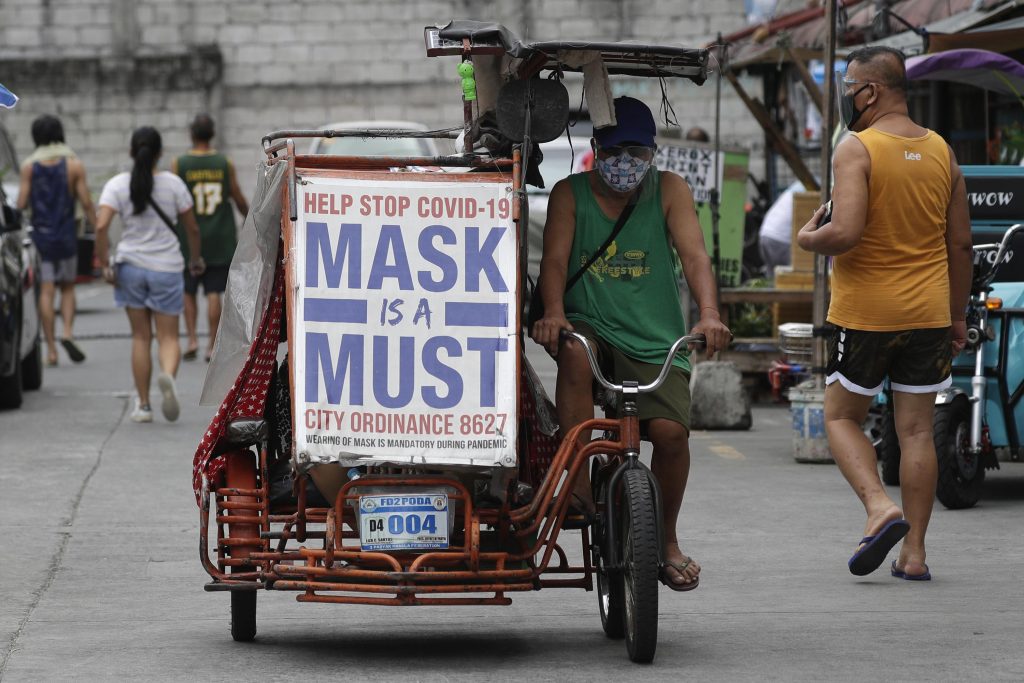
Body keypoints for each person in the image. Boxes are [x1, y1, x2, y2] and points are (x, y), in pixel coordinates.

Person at [531, 97, 731, 591]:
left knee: (670, 436)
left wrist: (709, 314)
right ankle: (577, 485)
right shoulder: (569, 193)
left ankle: (665, 541)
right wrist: (553, 313)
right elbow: (554, 262)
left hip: (654, 338)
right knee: (575, 354)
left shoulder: (669, 190)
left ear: (653, 153)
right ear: (596, 149)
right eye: (616, 151)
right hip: (590, 326)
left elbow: (695, 257)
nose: (625, 163)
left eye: (636, 152)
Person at [797, 46, 972, 580]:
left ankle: (879, 506)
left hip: (867, 314)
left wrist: (808, 238)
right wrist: (957, 317)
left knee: (840, 416)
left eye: (848, 87)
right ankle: (914, 555)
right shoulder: (942, 150)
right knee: (917, 432)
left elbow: (845, 233)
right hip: (929, 314)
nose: (846, 96)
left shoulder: (857, 148)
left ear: (869, 92)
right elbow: (960, 245)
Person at [94, 127, 204, 423]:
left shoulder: (117, 185)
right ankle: (167, 375)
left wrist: (104, 261)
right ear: (159, 153)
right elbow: (192, 228)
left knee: (141, 337)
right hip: (167, 267)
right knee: (168, 337)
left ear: (132, 152)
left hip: (130, 266)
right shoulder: (174, 185)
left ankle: (143, 406)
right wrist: (195, 259)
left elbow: (101, 226)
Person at [16, 115, 98, 366]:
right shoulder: (73, 164)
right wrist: (99, 230)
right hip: (66, 235)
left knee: (46, 292)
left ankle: (50, 349)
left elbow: (20, 204)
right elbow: (85, 203)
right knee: (68, 287)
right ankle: (67, 333)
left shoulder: (29, 167)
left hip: (42, 238)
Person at [172, 114, 249, 362]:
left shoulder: (179, 164)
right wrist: (250, 217)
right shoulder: (224, 163)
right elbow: (237, 196)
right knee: (214, 291)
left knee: (189, 290)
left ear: (191, 134)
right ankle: (210, 345)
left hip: (189, 236)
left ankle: (192, 338)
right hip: (220, 237)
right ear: (212, 134)